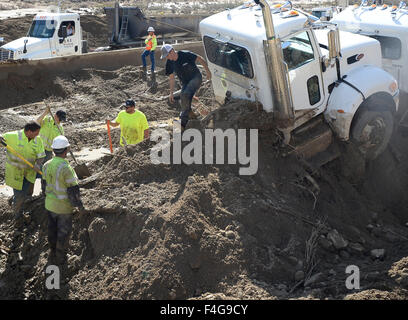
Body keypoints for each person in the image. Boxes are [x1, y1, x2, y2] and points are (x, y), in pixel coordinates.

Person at [41, 135, 85, 265]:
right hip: (63, 208)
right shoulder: (67, 168)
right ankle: (60, 257)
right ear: (66, 150)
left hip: (49, 205)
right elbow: (73, 191)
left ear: (53, 150)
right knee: (63, 232)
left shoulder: (46, 165)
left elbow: (44, 186)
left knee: (52, 229)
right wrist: (79, 206)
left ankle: (52, 251)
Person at [0, 121, 46, 225]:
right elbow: (1, 138)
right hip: (16, 173)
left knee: (47, 173)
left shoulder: (37, 140)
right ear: (29, 131)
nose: (37, 135)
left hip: (30, 171)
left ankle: (46, 194)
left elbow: (41, 155)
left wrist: (38, 164)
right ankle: (17, 216)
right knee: (20, 196)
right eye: (36, 133)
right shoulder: (13, 136)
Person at [161, 44, 211, 131]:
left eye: (167, 55)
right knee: (180, 97)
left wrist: (208, 71)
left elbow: (200, 59)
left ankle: (182, 124)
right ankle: (195, 113)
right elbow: (171, 78)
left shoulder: (185, 54)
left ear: (172, 51)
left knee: (185, 95)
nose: (167, 58)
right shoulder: (169, 62)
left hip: (196, 78)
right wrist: (171, 93)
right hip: (185, 83)